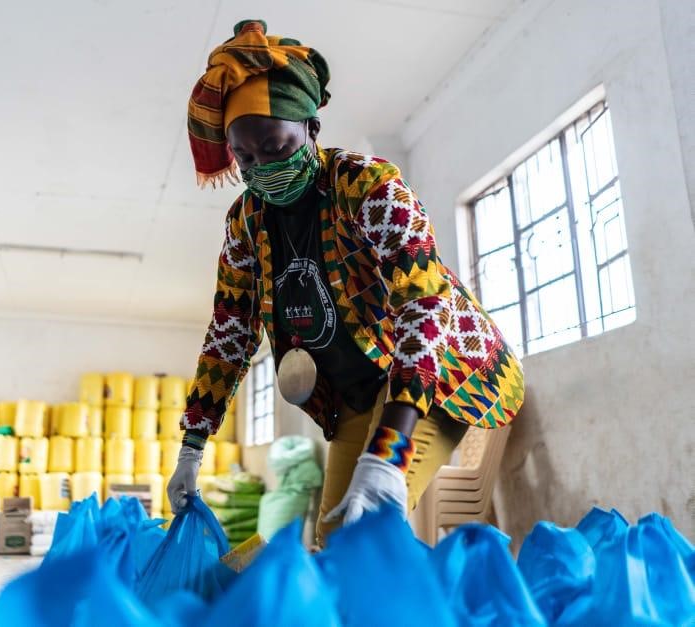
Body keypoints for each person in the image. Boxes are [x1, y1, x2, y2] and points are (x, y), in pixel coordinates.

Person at [167, 19, 525, 546]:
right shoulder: (246, 220)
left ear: (311, 128)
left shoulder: (368, 186)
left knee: (361, 537)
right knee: (330, 541)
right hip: (357, 392)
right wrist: (192, 447)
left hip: (435, 376)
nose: (261, 167)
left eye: (274, 146)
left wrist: (389, 456)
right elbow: (230, 332)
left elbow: (424, 306)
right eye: (243, 157)